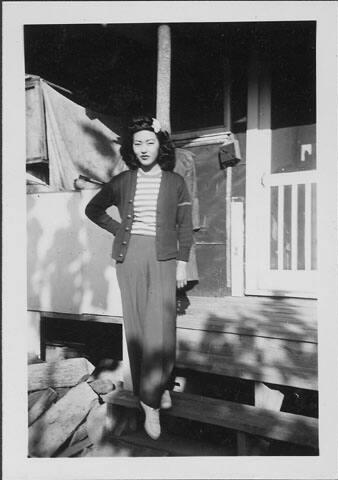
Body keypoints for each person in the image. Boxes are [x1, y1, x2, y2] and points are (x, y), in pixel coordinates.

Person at [85, 115, 193, 439]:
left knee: (162, 330)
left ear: (160, 145)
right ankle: (150, 405)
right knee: (138, 330)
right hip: (130, 259)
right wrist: (120, 231)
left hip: (164, 259)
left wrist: (183, 263)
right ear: (132, 148)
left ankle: (158, 386)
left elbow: (185, 226)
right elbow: (94, 209)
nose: (144, 148)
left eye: (149, 141)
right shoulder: (122, 181)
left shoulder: (176, 182)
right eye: (138, 143)